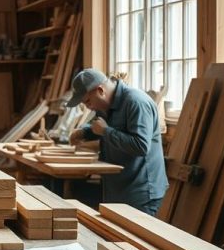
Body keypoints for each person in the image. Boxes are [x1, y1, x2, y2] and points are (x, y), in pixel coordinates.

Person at [67, 68, 167, 215]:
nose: (89, 107)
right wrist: (84, 132)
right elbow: (100, 126)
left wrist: (106, 131)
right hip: (117, 189)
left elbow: (140, 146)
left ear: (100, 90)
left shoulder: (136, 102)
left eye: (88, 102)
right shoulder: (104, 105)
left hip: (140, 191)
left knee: (135, 237)